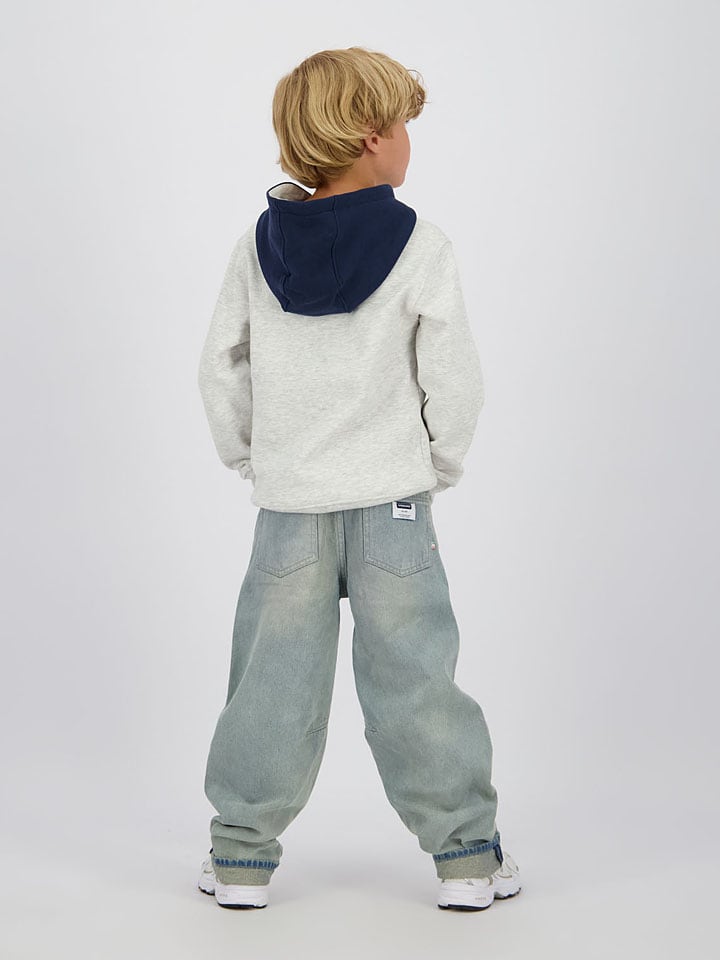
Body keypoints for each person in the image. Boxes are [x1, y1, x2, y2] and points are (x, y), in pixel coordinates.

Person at [195, 46, 522, 912]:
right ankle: (468, 860)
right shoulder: (424, 246)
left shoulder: (255, 247)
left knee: (270, 686)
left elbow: (220, 367)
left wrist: (253, 459)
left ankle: (240, 859)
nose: (409, 139)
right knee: (416, 682)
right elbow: (454, 378)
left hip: (289, 509)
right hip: (394, 507)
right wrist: (436, 463)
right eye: (404, 124)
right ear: (374, 136)